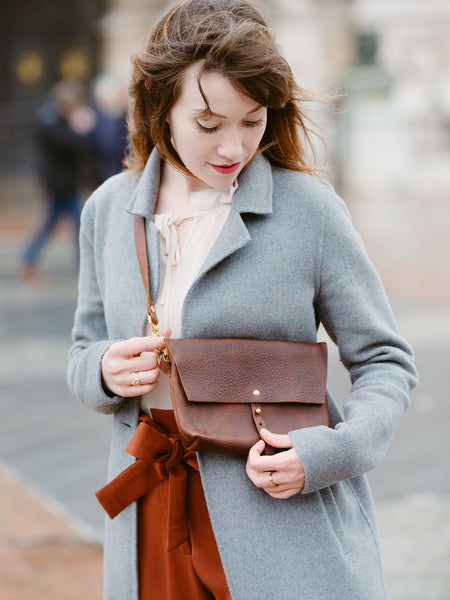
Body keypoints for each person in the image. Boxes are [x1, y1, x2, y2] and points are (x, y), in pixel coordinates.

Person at [67, 1, 418, 599]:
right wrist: (102, 369)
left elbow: (386, 361)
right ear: (158, 102)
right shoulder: (109, 208)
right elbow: (82, 350)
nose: (233, 147)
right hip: (149, 507)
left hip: (283, 521)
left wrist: (329, 451)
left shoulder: (309, 210)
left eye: (252, 121)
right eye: (209, 124)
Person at [20, 80, 94, 281]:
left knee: (57, 223)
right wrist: (80, 129)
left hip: (65, 182)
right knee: (77, 224)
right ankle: (82, 267)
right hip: (60, 183)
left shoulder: (56, 119)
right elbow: (65, 144)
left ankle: (28, 259)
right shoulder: (50, 120)